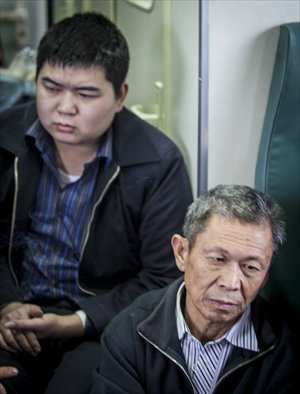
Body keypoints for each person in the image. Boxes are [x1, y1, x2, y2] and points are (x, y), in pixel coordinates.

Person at [0, 12, 193, 394]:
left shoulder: (157, 163)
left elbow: (164, 278)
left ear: (120, 96)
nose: (64, 107)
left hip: (102, 326)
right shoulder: (5, 137)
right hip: (13, 317)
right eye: (50, 87)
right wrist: (6, 306)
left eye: (85, 94)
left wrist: (75, 321)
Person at [91, 184, 296, 394]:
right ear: (182, 253)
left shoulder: (287, 353)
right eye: (217, 259)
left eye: (251, 267)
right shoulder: (129, 335)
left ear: (265, 277)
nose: (231, 283)